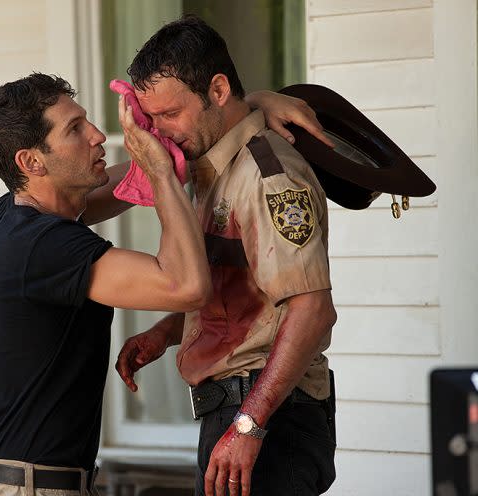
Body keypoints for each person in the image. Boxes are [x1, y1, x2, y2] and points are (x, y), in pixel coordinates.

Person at [0, 70, 327, 495]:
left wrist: (247, 107)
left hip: (20, 477)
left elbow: (140, 180)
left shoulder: (13, 216)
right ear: (31, 161)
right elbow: (187, 286)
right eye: (75, 130)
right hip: (29, 486)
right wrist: (160, 171)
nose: (98, 135)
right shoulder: (42, 247)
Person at [115, 16, 338, 496]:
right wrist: (168, 330)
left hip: (270, 414)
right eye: (151, 119)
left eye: (170, 114)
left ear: (218, 90)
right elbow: (238, 281)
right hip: (239, 410)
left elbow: (312, 309)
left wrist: (248, 425)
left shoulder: (268, 175)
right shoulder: (211, 165)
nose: (162, 132)